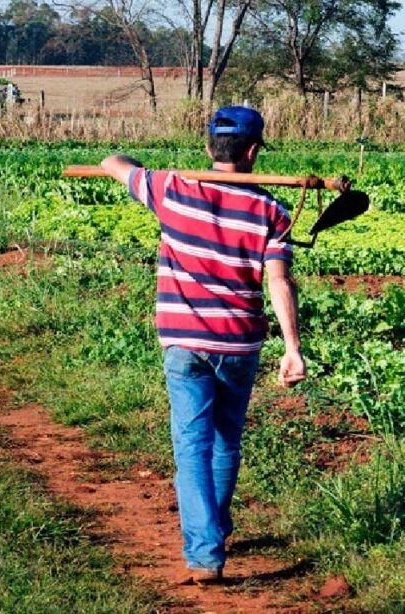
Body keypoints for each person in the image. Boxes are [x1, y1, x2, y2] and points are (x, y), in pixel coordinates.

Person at [100, 106, 306, 585]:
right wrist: (292, 347)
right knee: (225, 441)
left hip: (184, 342)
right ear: (253, 152)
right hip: (239, 343)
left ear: (209, 148)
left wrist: (135, 164)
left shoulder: (170, 190)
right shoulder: (271, 210)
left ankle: (206, 551)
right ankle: (213, 531)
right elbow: (280, 282)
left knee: (192, 445)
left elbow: (114, 161)